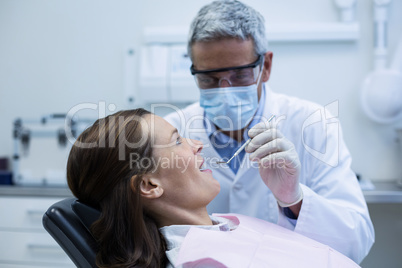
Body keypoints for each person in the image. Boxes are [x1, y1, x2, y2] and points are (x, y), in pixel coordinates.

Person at [164, 0, 374, 264]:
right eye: (209, 79)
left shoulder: (314, 124)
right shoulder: (171, 133)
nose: (226, 90)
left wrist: (294, 199)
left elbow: (357, 242)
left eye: (240, 75)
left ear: (266, 67)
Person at [67, 108, 360, 267]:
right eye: (178, 140)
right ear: (149, 184)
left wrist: (292, 199)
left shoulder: (228, 225)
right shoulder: (201, 261)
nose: (198, 145)